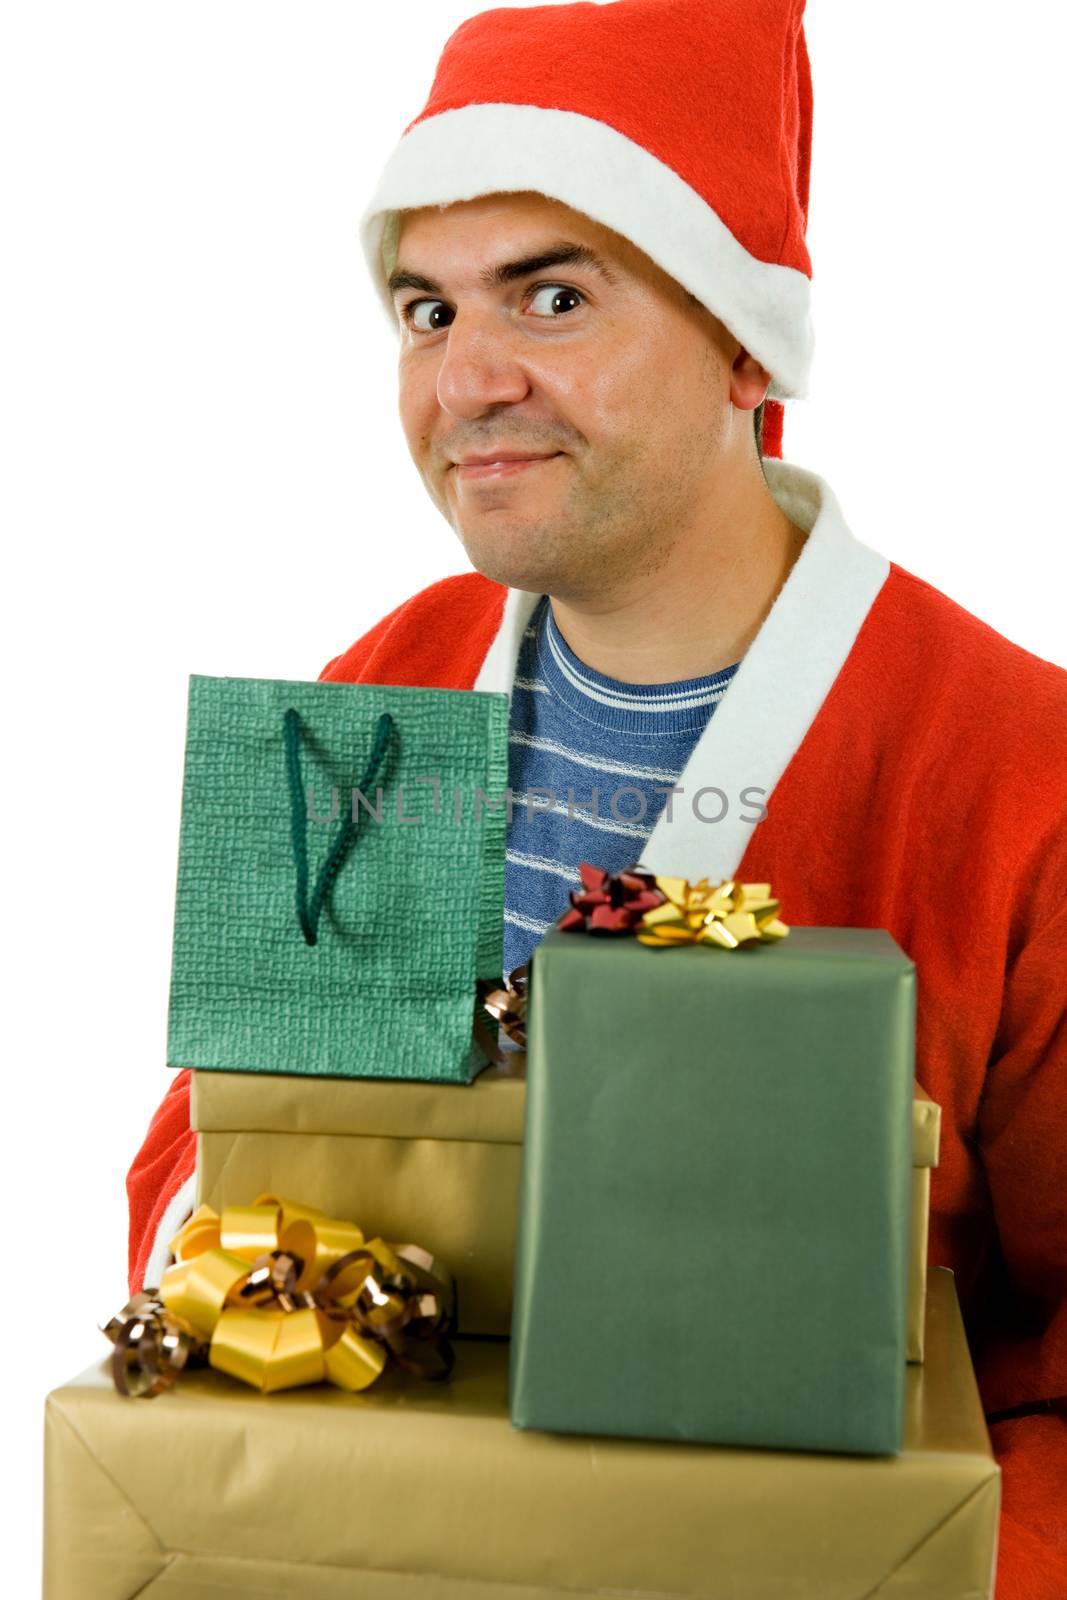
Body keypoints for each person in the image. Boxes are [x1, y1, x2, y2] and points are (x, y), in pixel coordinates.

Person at [127, 0, 1066, 1591]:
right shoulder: (372, 702)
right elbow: (210, 1158)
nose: (465, 379)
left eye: (552, 296)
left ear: (749, 343)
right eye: (425, 312)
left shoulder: (1015, 775)